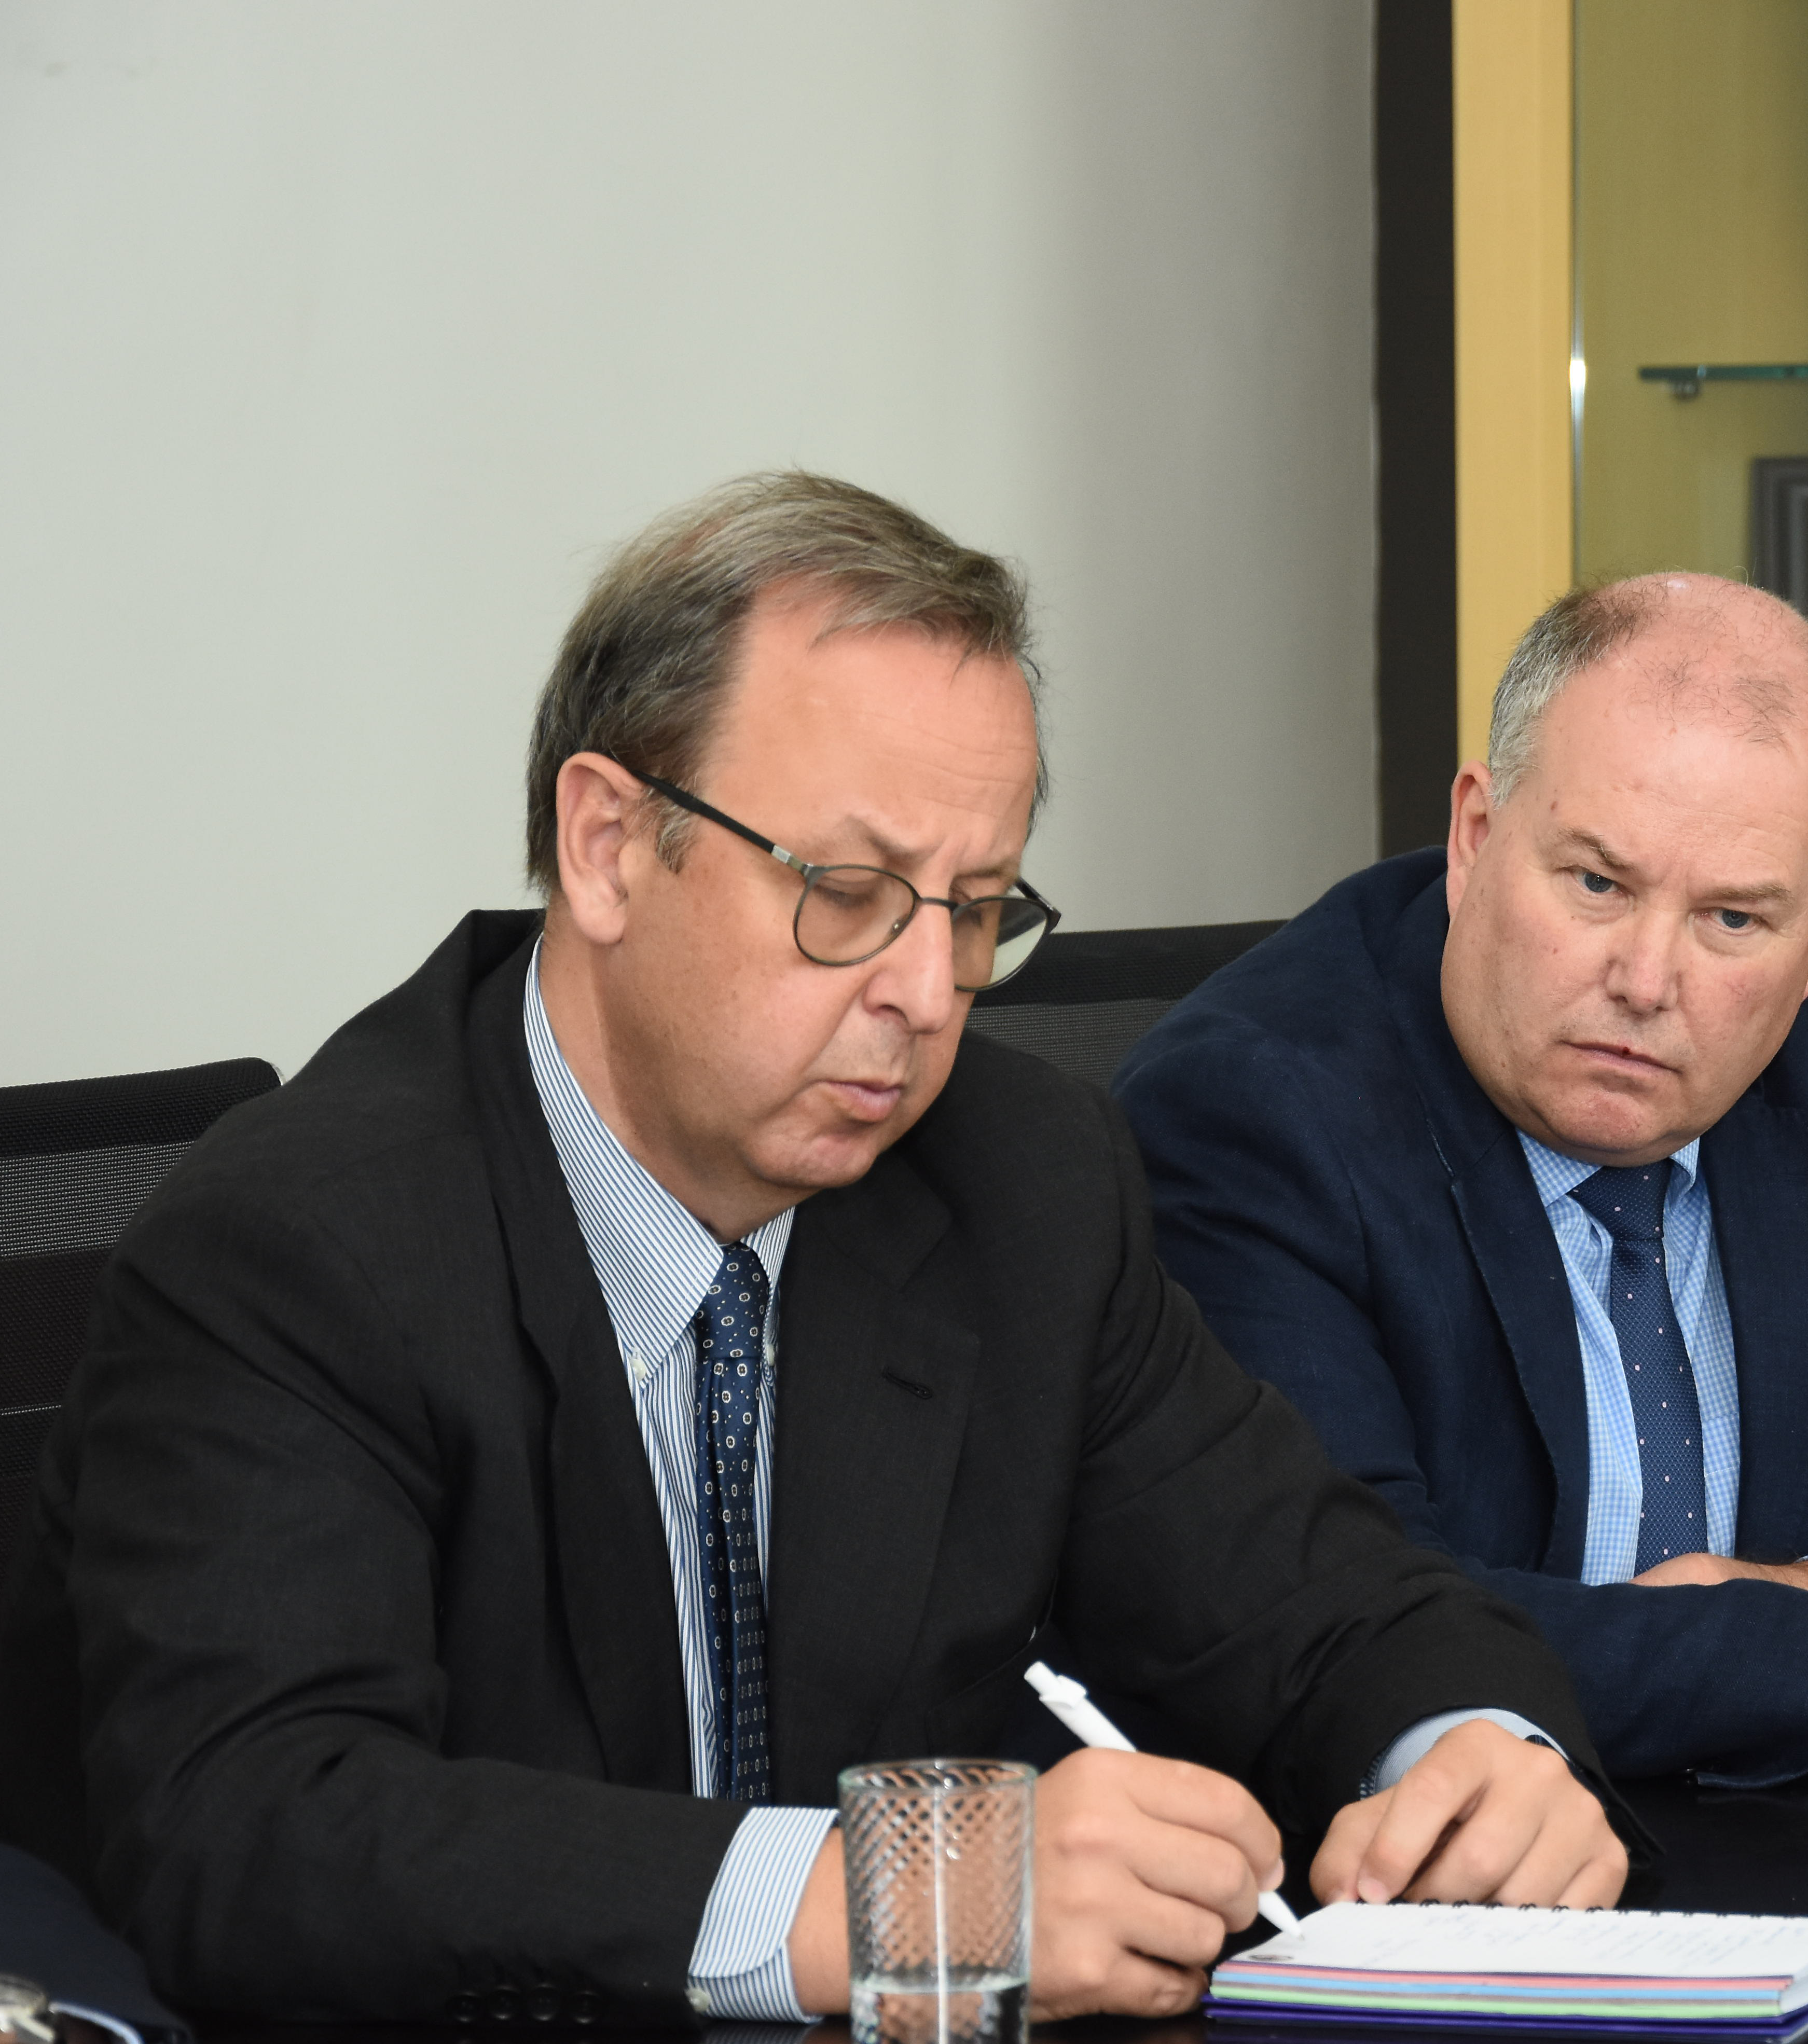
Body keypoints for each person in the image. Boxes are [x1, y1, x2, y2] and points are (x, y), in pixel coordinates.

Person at [0, 475, 1621, 2026]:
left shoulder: (1019, 1180)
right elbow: (255, 1824)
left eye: (976, 906)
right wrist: (897, 1894)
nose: (926, 991)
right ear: (609, 844)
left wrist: (1473, 1750)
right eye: (849, 890)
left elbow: (1316, 1596)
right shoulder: (302, 1243)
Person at [1117, 573, 1808, 1785]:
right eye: (1598, 884)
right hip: (1439, 1866)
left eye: (1733, 920)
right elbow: (1359, 1620)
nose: (1646, 981)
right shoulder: (1256, 1111)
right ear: (1476, 836)